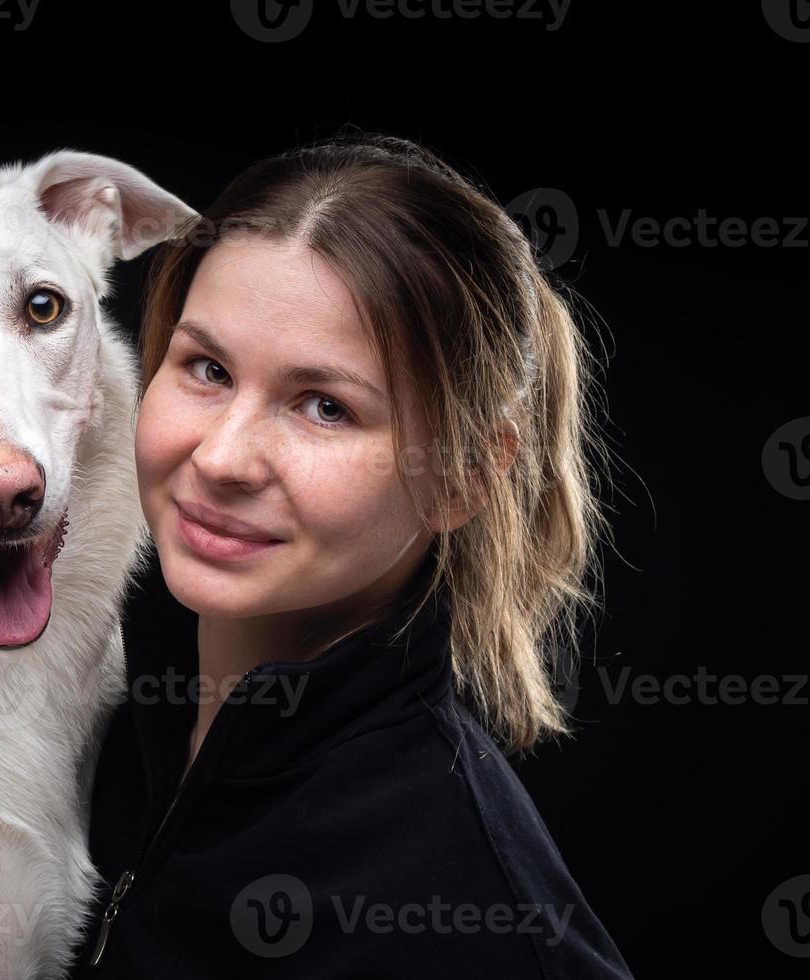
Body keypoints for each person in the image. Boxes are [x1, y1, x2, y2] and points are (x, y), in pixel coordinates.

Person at [66, 133, 634, 978]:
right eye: (208, 368)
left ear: (466, 472)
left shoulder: (475, 927)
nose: (222, 458)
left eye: (324, 407)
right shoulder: (78, 712)